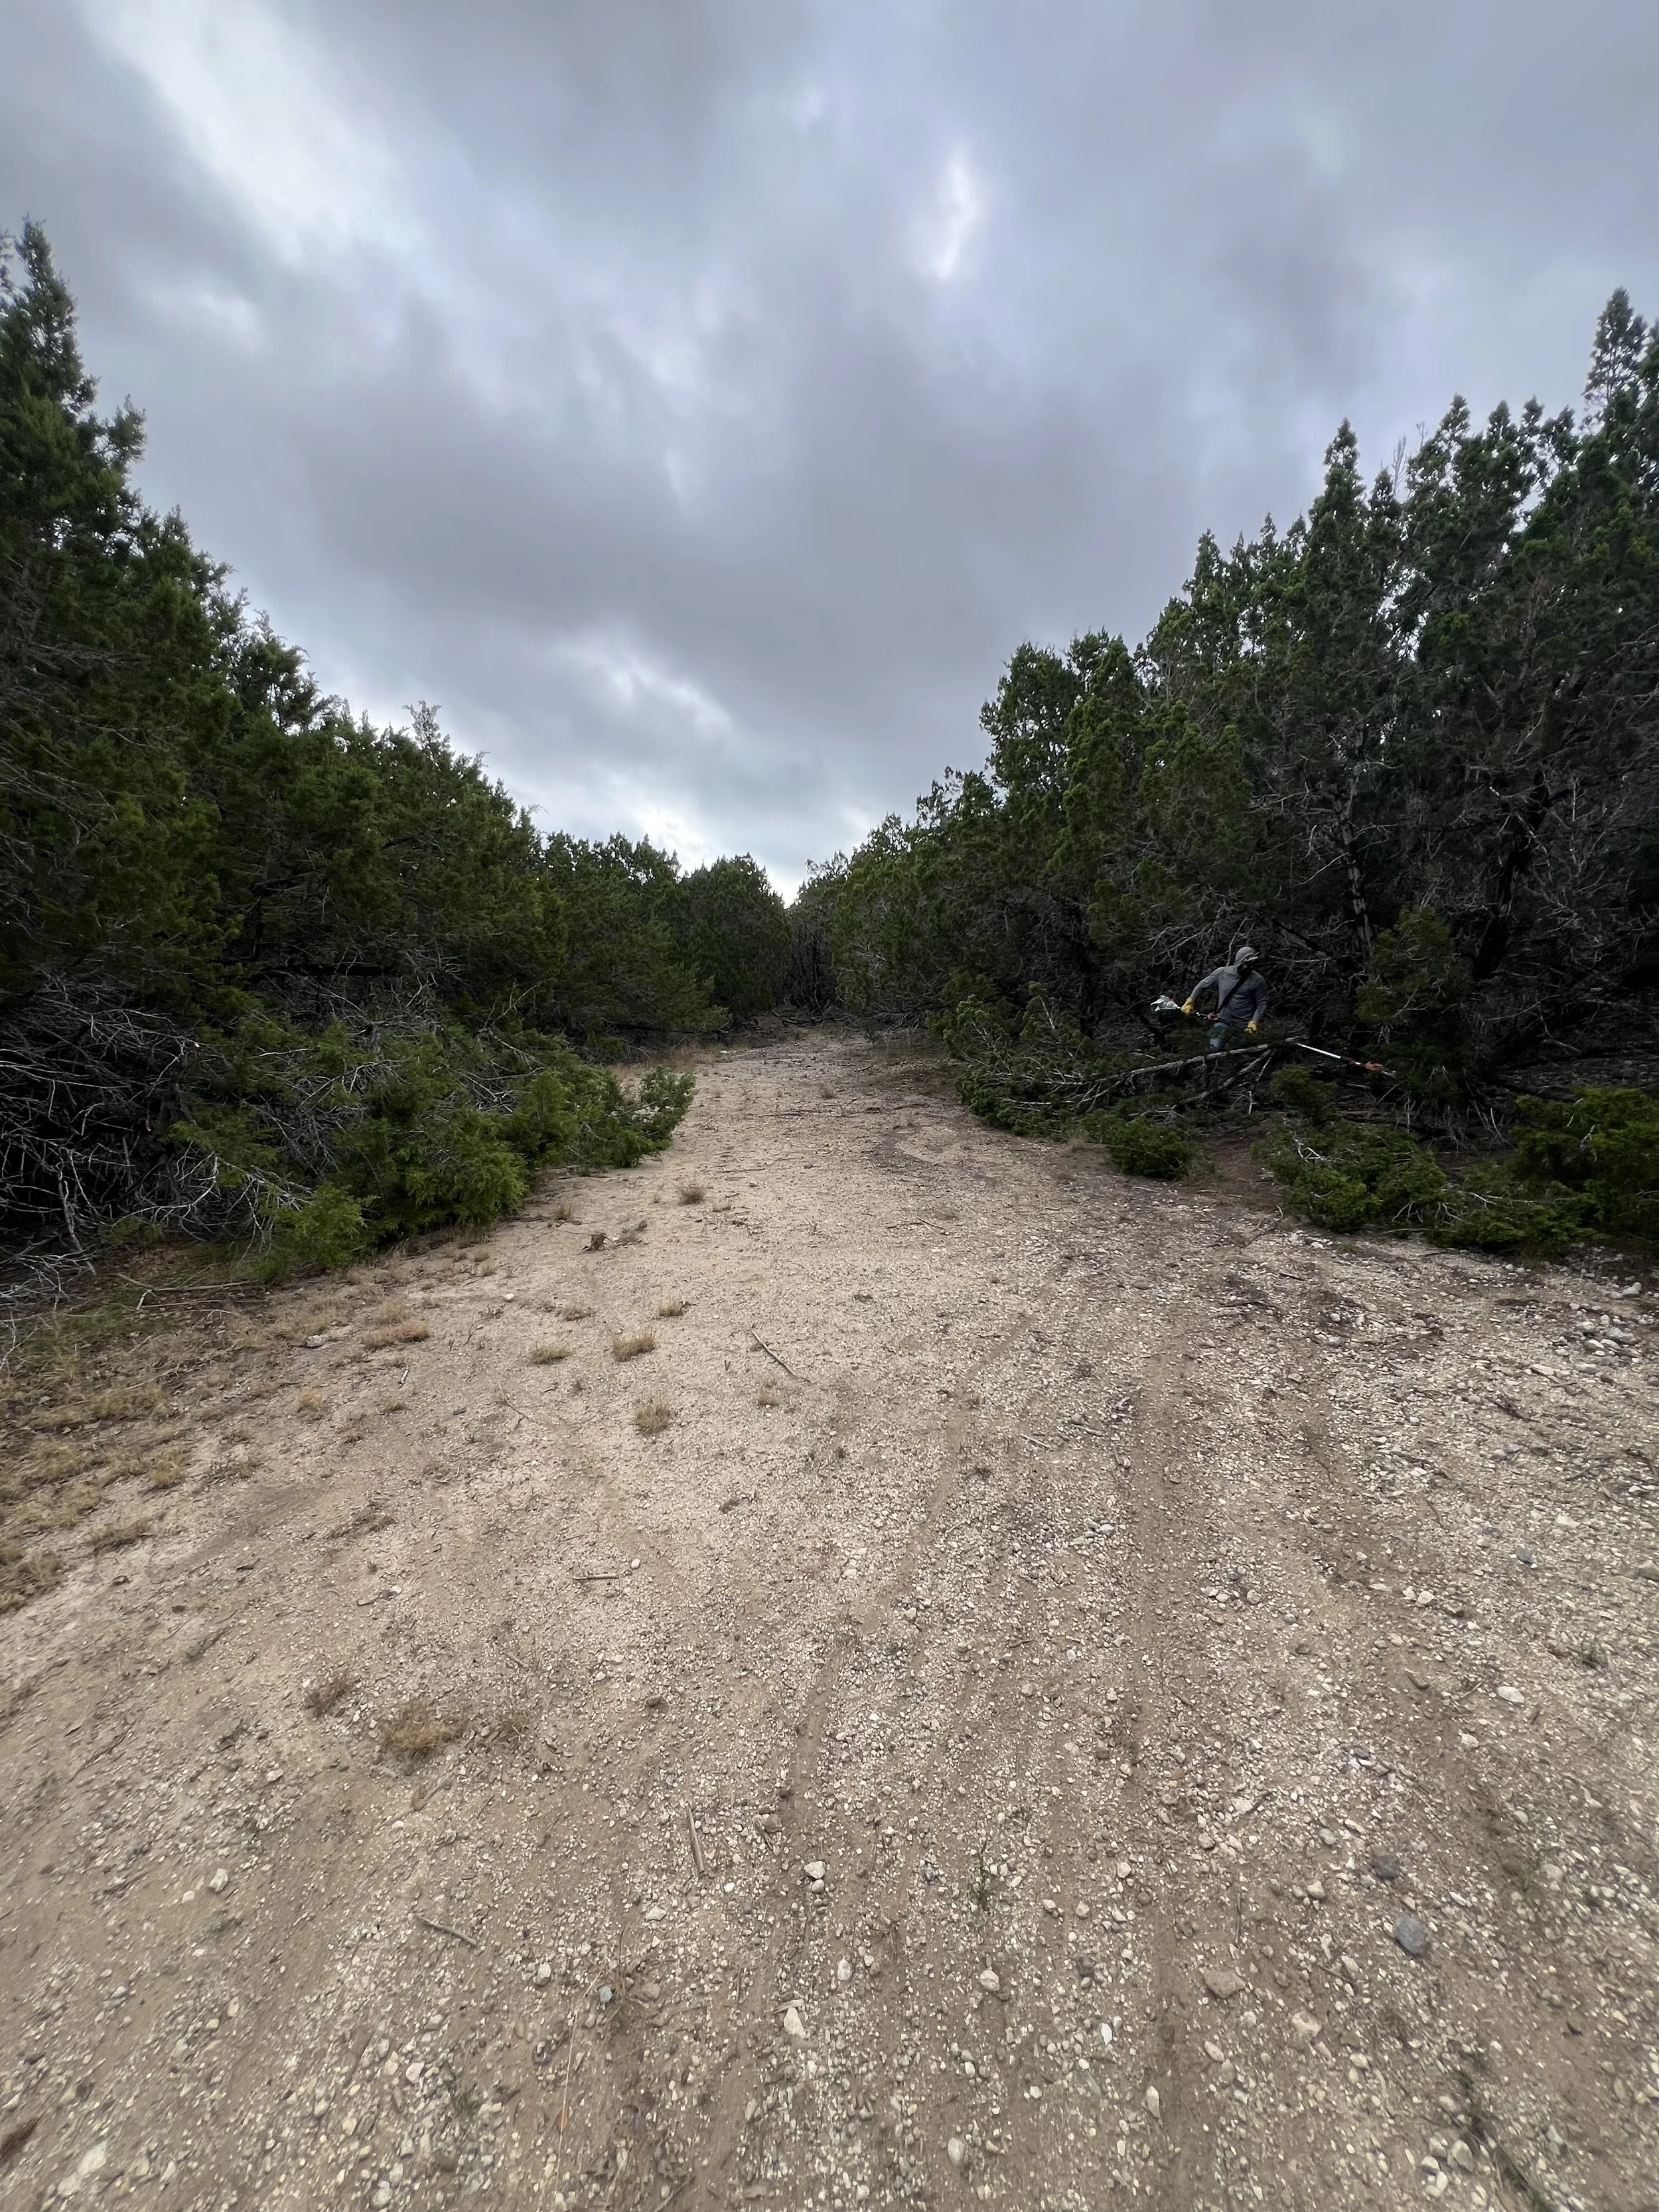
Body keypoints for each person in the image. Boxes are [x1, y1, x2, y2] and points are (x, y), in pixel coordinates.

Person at [1182, 944, 1267, 1052]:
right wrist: (1190, 1000)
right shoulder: (1222, 973)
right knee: (1212, 1047)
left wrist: (1254, 1022)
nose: (1249, 967)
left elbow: (1262, 1004)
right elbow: (1203, 985)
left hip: (1244, 1025)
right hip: (1222, 1020)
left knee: (1242, 1052)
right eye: (1246, 964)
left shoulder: (1258, 980)